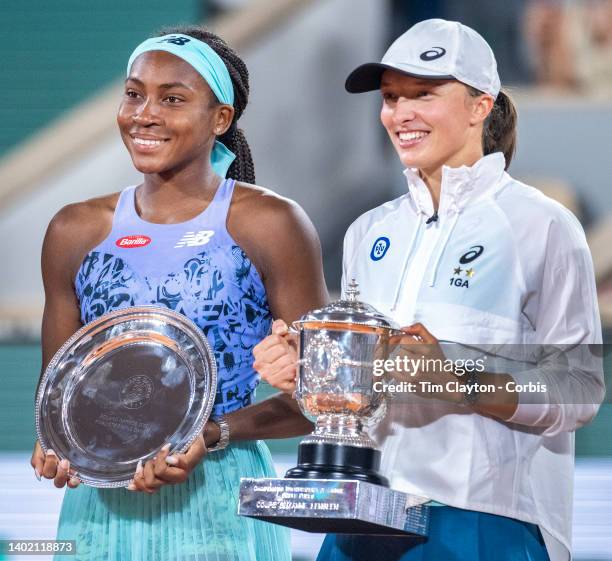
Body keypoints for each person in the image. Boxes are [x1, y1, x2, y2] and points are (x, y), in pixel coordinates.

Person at [253, 18, 604, 561]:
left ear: (479, 106)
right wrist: (308, 373)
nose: (401, 114)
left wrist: (457, 375)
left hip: (484, 521)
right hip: (364, 513)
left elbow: (577, 388)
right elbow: (363, 391)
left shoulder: (543, 225)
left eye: (423, 94)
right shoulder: (368, 231)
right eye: (391, 97)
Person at [29, 25, 328, 561]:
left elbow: (322, 400)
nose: (144, 114)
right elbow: (59, 397)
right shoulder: (73, 230)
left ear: (221, 118)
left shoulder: (271, 223)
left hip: (220, 504)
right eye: (133, 93)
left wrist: (214, 433)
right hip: (98, 512)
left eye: (172, 99)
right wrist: (59, 448)